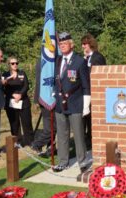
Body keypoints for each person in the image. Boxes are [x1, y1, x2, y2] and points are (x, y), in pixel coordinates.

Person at [53, 32, 91, 173]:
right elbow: (57, 80)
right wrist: (54, 93)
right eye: (60, 44)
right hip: (60, 104)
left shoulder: (80, 61)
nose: (62, 46)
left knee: (78, 134)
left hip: (75, 103)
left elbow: (86, 84)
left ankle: (82, 162)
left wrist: (86, 103)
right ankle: (63, 161)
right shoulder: (57, 60)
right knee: (62, 134)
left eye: (65, 43)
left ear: (71, 45)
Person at [81, 33, 106, 148]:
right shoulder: (84, 58)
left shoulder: (98, 57)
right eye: (82, 44)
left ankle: (92, 142)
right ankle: (86, 141)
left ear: (90, 44)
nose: (83, 46)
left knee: (92, 119)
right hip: (84, 93)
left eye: (85, 44)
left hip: (95, 94)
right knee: (84, 118)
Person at [2, 57, 34, 146]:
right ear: (9, 64)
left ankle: (30, 141)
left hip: (23, 101)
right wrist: (13, 95)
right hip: (11, 103)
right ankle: (17, 141)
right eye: (13, 63)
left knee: (27, 122)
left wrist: (20, 95)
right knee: (14, 123)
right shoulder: (5, 75)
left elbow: (26, 86)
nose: (15, 65)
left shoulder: (22, 73)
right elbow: (3, 88)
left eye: (16, 63)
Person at [30, 58, 57, 156]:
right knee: (52, 127)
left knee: (52, 125)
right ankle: (37, 144)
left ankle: (51, 148)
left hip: (45, 97)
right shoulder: (47, 61)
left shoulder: (43, 60)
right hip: (46, 97)